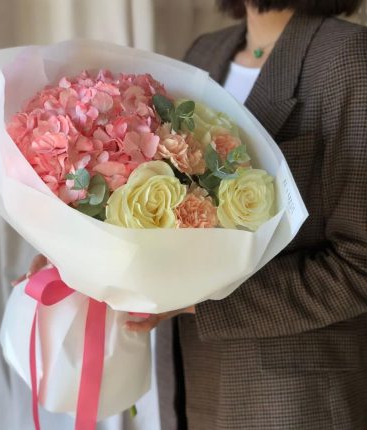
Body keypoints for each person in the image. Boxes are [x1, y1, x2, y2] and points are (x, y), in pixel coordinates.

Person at [20, 0, 367, 428]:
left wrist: (195, 299)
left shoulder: (350, 59)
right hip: (187, 381)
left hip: (290, 399)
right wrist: (79, 250)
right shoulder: (206, 52)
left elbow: (359, 266)